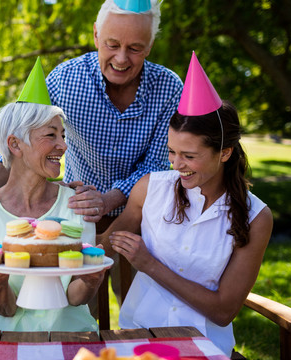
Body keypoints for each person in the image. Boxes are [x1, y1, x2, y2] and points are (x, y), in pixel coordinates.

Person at [0, 0, 183, 305]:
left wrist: (107, 200)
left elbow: (160, 163)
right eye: (112, 44)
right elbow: (22, 141)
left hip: (143, 218)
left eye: (135, 48)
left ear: (151, 45)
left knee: (138, 304)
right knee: (76, 300)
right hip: (74, 214)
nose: (121, 58)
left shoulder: (168, 88)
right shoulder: (65, 79)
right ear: (96, 35)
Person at [100, 52, 273, 356]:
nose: (176, 165)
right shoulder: (150, 188)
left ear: (225, 152)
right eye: (171, 152)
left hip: (207, 348)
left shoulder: (256, 217)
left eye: (189, 156)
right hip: (140, 341)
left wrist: (149, 265)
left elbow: (223, 311)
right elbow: (103, 245)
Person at [0, 58, 107, 331]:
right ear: (15, 144)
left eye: (63, 135)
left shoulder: (77, 204)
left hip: (71, 335)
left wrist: (90, 281)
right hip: (3, 337)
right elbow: (4, 309)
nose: (63, 145)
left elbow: (75, 298)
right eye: (50, 135)